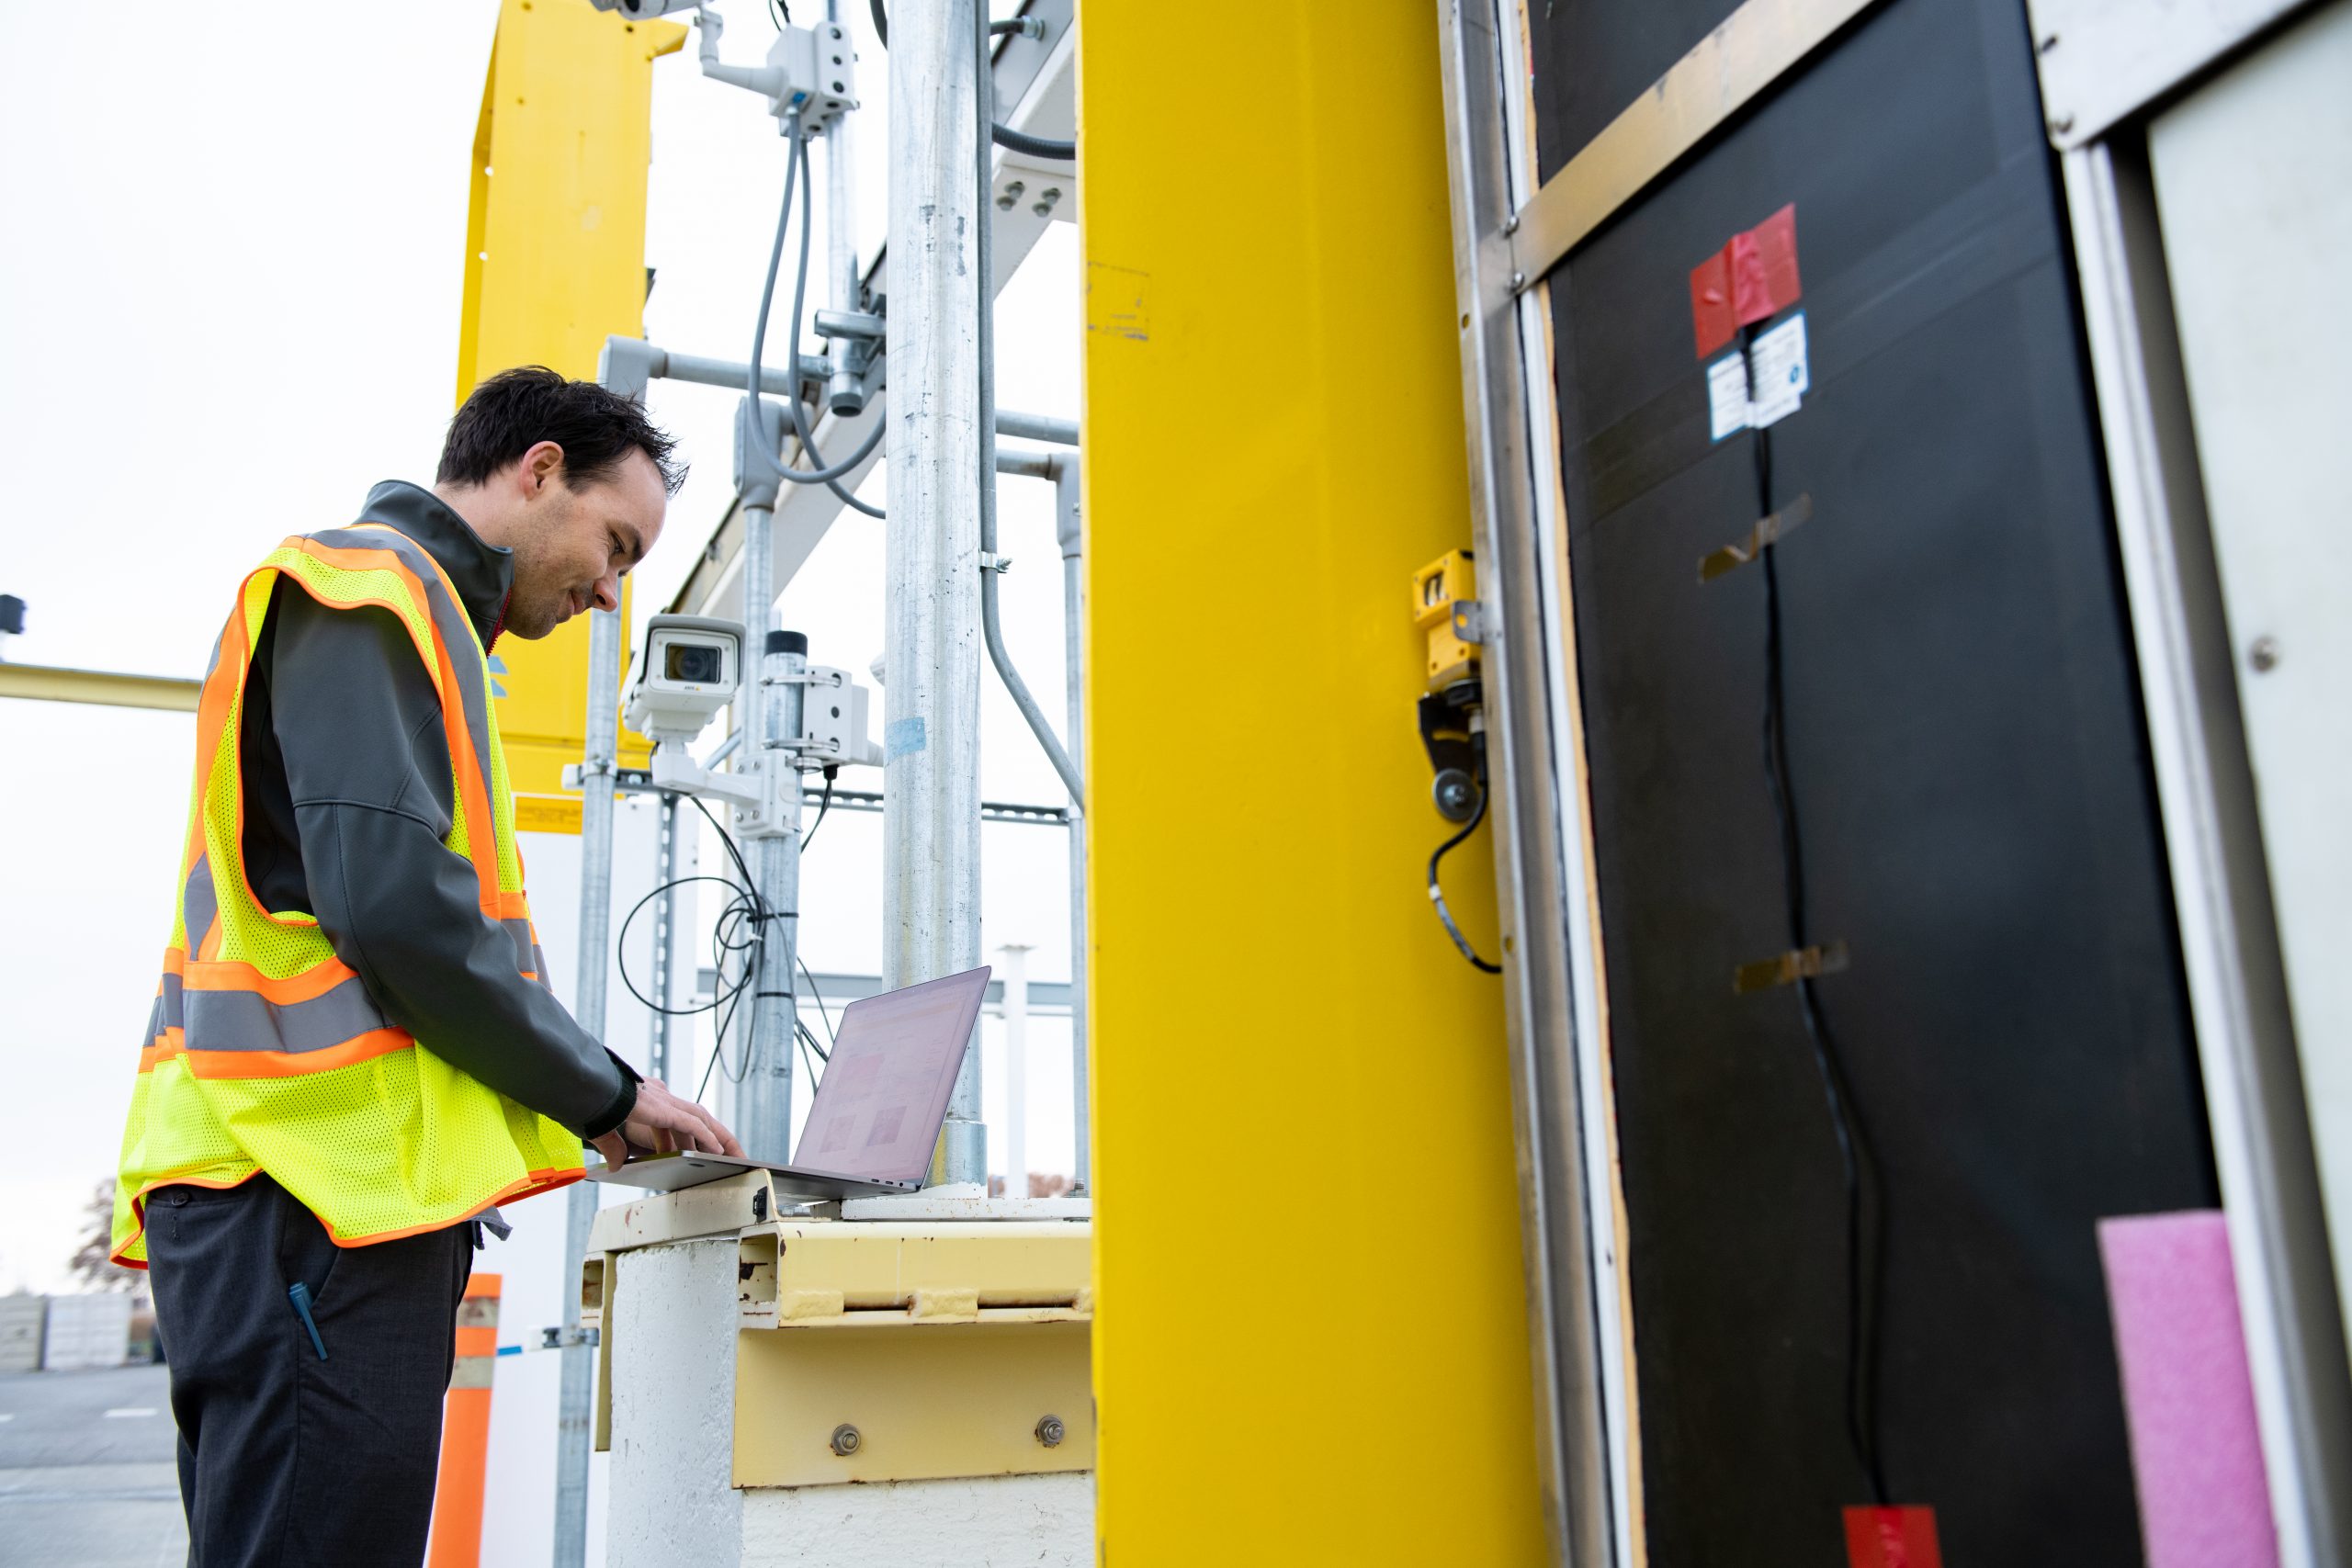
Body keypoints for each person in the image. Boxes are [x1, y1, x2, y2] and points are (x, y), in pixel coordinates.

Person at [108, 367, 744, 1565]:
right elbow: (396, 915)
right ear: (538, 469)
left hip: (317, 1195)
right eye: (615, 544)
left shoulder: (424, 627)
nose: (610, 591)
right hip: (297, 1186)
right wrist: (606, 1092)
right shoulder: (371, 593)